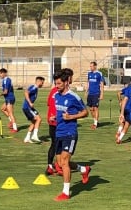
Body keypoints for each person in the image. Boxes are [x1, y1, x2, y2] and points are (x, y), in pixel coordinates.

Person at [52, 69, 92, 201]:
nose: (57, 86)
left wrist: (71, 117)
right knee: (60, 162)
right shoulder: (57, 96)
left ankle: (66, 192)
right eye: (55, 84)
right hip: (59, 132)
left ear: (65, 82)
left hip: (70, 133)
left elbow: (85, 112)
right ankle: (83, 169)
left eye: (59, 84)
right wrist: (54, 118)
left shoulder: (73, 97)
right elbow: (60, 113)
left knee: (64, 162)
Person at [45, 73, 63, 175]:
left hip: (51, 120)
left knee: (54, 143)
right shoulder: (61, 93)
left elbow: (48, 103)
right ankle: (58, 165)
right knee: (59, 144)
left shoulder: (53, 91)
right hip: (57, 121)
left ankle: (51, 165)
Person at [22, 76, 44, 144]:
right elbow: (26, 92)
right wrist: (30, 102)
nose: (42, 84)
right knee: (39, 119)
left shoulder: (35, 88)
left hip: (29, 107)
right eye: (42, 83)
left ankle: (27, 138)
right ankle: (34, 135)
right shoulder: (34, 87)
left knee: (34, 122)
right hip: (27, 107)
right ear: (39, 81)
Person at [85, 61, 106, 129]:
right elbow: (88, 83)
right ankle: (96, 121)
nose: (90, 67)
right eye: (90, 66)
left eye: (91, 66)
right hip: (90, 94)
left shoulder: (99, 74)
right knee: (91, 109)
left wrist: (102, 94)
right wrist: (86, 92)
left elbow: (102, 84)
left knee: (95, 108)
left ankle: (95, 124)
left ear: (95, 66)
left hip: (96, 93)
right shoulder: (89, 74)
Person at [0, 68, 17, 132]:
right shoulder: (4, 80)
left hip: (10, 98)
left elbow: (5, 92)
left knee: (10, 113)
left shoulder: (7, 80)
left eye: (0, 73)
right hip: (7, 98)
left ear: (4, 73)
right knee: (2, 109)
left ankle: (15, 128)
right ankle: (11, 121)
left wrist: (0, 94)